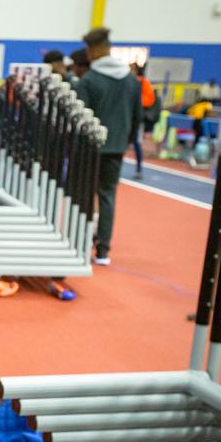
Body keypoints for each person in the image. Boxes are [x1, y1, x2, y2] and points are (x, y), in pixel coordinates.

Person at [76, 27, 142, 266]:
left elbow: (79, 117)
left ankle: (80, 245)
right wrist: (124, 141)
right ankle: (103, 251)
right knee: (107, 196)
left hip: (90, 149)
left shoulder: (89, 80)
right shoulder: (131, 80)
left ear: (93, 50)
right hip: (116, 148)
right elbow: (137, 116)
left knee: (84, 197)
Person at [129, 62, 158, 179]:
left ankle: (139, 168)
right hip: (126, 117)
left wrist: (137, 103)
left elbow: (149, 100)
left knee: (136, 143)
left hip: (137, 119)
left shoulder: (143, 82)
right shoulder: (128, 81)